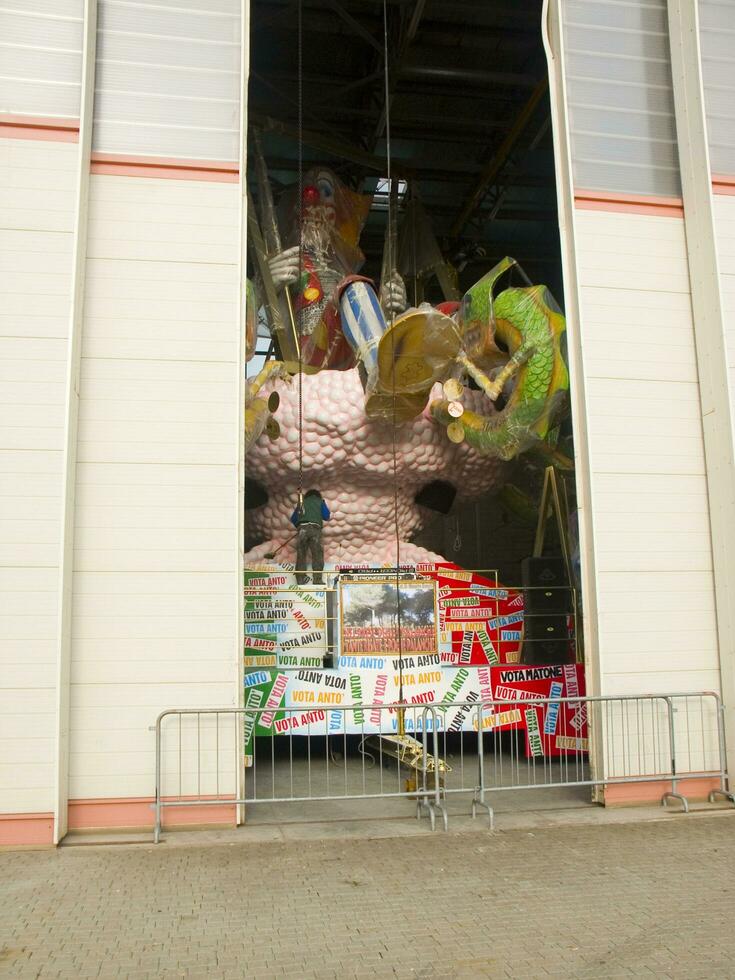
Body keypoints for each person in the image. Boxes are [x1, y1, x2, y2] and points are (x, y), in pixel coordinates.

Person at [291, 489, 330, 585]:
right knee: (317, 555)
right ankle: (317, 580)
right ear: (318, 496)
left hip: (302, 530)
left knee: (301, 555)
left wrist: (300, 526)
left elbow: (293, 518)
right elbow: (326, 516)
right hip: (315, 529)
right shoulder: (320, 501)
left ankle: (300, 580)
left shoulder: (302, 502)